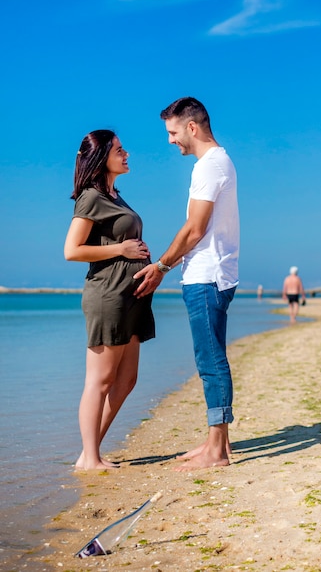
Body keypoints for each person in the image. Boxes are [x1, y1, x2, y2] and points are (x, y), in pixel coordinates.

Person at [134, 97, 239, 471]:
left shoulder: (209, 166)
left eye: (173, 132)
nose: (170, 140)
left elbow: (195, 230)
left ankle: (216, 451)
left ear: (192, 127)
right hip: (214, 273)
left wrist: (161, 266)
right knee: (210, 357)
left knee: (210, 361)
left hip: (207, 276)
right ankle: (218, 443)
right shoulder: (217, 163)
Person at [64, 130, 155, 470]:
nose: (126, 153)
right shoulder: (90, 197)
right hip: (108, 295)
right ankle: (91, 458)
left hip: (132, 296)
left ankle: (89, 452)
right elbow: (71, 250)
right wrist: (121, 249)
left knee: (127, 379)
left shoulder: (116, 196)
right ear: (102, 156)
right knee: (100, 380)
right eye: (119, 149)